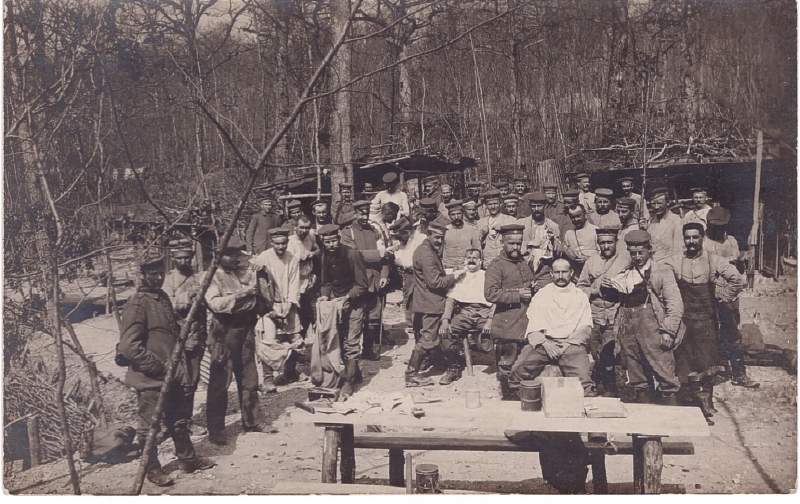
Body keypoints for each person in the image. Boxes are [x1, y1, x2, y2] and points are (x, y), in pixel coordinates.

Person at [118, 252, 214, 487]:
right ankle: (152, 470)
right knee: (149, 427)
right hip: (151, 377)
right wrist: (159, 369)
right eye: (153, 274)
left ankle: (189, 460)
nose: (159, 278)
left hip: (170, 374)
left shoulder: (160, 297)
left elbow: (168, 327)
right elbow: (129, 347)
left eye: (161, 273)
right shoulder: (137, 305)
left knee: (178, 420)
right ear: (142, 276)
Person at [665, 223, 745, 418]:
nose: (691, 242)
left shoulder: (713, 260)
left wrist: (723, 296)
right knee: (683, 359)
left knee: (706, 360)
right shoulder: (676, 261)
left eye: (695, 237)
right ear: (683, 239)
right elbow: (660, 275)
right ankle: (686, 400)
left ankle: (706, 400)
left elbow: (738, 279)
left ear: (702, 238)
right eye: (688, 238)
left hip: (707, 319)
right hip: (685, 319)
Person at [204, 236, 276, 445]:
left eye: (238, 255)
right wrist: (242, 294)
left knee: (249, 378)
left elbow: (264, 289)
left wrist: (262, 272)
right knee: (220, 382)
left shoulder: (243, 269)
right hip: (223, 332)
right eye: (231, 255)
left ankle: (252, 420)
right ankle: (216, 430)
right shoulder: (212, 276)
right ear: (220, 255)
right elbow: (216, 305)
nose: (236, 259)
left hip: (245, 328)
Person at [604, 230, 683, 404]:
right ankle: (644, 416)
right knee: (636, 373)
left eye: (641, 252)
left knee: (664, 371)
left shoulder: (662, 271)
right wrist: (607, 288)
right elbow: (617, 300)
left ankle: (672, 418)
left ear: (650, 250)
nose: (637, 257)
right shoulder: (626, 272)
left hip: (653, 327)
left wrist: (668, 331)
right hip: (628, 328)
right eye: (633, 253)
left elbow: (675, 305)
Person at [509, 257, 595, 396]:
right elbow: (534, 324)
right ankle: (516, 401)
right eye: (557, 272)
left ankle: (584, 406)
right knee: (519, 369)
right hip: (544, 343)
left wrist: (567, 343)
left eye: (564, 272)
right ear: (551, 274)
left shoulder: (580, 296)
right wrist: (546, 343)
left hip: (571, 344)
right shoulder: (542, 295)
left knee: (583, 379)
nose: (560, 276)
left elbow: (585, 327)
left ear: (571, 273)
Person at [704, 207, 759, 388]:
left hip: (729, 293)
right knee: (709, 329)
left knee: (732, 330)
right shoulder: (703, 242)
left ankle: (738, 373)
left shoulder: (732, 241)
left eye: (721, 227)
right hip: (710, 291)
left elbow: (736, 267)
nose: (718, 231)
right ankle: (710, 370)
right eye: (714, 227)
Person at [406, 221, 465, 386]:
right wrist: (454, 277)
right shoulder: (427, 254)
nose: (439, 241)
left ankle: (449, 365)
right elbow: (435, 283)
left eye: (442, 237)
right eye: (436, 237)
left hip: (426, 301)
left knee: (436, 337)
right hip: (431, 303)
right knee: (428, 339)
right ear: (428, 235)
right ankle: (411, 375)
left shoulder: (425, 249)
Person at [317, 223, 370, 398]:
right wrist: (325, 296)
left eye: (333, 241)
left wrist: (347, 298)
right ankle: (353, 371)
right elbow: (325, 283)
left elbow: (362, 285)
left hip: (355, 302)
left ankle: (348, 381)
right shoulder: (324, 255)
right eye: (327, 242)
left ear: (339, 238)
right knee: (338, 339)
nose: (331, 245)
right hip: (337, 304)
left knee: (352, 342)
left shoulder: (352, 254)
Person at [484, 223, 535, 398]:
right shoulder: (496, 266)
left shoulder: (522, 261)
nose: (515, 247)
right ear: (502, 242)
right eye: (511, 243)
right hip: (506, 325)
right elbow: (490, 294)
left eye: (518, 243)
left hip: (524, 323)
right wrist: (517, 294)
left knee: (523, 364)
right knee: (507, 365)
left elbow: (527, 282)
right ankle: (508, 397)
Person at [576, 229, 628, 397]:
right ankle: (596, 383)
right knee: (595, 350)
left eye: (610, 242)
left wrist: (617, 287)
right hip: (595, 314)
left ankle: (611, 386)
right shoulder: (591, 262)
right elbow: (580, 288)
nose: (606, 246)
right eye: (602, 243)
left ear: (616, 242)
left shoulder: (625, 261)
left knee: (611, 351)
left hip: (615, 313)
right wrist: (595, 291)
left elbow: (633, 286)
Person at [251, 228, 303, 392]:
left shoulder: (292, 259)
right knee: (269, 341)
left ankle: (289, 371)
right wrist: (268, 307)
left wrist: (290, 303)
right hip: (268, 305)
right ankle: (268, 379)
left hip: (288, 302)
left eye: (283, 243)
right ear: (271, 243)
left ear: (287, 242)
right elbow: (258, 284)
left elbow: (294, 282)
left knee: (296, 339)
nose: (280, 247)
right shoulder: (263, 258)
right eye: (277, 244)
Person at [162, 239, 207, 424]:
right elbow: (167, 306)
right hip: (178, 335)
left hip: (197, 334)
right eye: (180, 258)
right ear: (173, 258)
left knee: (193, 380)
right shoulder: (168, 280)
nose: (184, 262)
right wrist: (187, 296)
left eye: (187, 258)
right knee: (180, 380)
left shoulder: (197, 277)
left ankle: (186, 420)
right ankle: (177, 421)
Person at [341, 201, 389, 362]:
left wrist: (384, 275)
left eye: (366, 213)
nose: (364, 217)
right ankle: (348, 353)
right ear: (354, 214)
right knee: (354, 319)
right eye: (361, 213)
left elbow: (386, 256)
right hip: (357, 282)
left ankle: (368, 349)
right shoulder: (347, 233)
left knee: (373, 318)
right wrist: (378, 254)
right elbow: (355, 254)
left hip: (375, 280)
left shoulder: (374, 231)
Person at [440, 249, 495, 360]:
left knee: (493, 338)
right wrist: (445, 320)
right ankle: (453, 366)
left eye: (474, 258)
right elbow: (451, 299)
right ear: (464, 260)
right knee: (445, 333)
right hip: (465, 314)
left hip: (484, 314)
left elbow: (495, 300)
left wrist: (490, 320)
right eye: (469, 258)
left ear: (481, 261)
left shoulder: (488, 276)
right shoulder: (460, 276)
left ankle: (500, 366)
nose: (471, 260)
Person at [388, 216, 426, 333]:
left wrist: (401, 262)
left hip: (419, 272)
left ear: (408, 231)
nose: (399, 238)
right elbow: (397, 252)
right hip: (407, 274)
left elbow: (416, 259)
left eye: (401, 235)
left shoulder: (421, 238)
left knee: (419, 297)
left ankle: (420, 324)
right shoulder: (402, 241)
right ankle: (411, 324)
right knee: (408, 297)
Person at [287, 216, 320, 334]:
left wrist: (312, 253)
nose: (304, 231)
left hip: (308, 279)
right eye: (301, 227)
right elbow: (286, 262)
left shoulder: (310, 237)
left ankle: (301, 339)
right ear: (295, 227)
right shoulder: (290, 241)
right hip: (295, 280)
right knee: (298, 312)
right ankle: (295, 340)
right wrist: (300, 256)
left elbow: (318, 250)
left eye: (307, 228)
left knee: (309, 313)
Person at [518, 191, 559, 282]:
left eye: (539, 206)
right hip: (525, 267)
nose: (536, 209)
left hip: (545, 270)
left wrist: (553, 240)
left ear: (544, 206)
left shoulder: (553, 226)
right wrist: (530, 243)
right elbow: (515, 246)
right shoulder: (521, 224)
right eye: (533, 206)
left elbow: (558, 253)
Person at [478, 189, 517, 265]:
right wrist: (482, 235)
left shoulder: (511, 220)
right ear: (486, 205)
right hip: (488, 263)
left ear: (500, 203)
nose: (493, 207)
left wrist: (504, 230)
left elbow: (516, 242)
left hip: (506, 262)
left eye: (495, 203)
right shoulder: (480, 223)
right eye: (489, 204)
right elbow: (477, 246)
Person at [646, 186, 684, 262]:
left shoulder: (675, 220)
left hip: (668, 264)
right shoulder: (650, 221)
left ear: (668, 203)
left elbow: (679, 249)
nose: (656, 207)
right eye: (653, 203)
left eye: (660, 203)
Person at [562, 204, 599, 278]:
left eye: (578, 216)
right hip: (576, 273)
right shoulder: (569, 234)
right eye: (572, 217)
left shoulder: (595, 230)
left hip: (594, 270)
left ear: (585, 214)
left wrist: (589, 259)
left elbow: (602, 253)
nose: (575, 219)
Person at [442, 200, 480, 270]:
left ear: (463, 213)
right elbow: (440, 250)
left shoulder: (471, 229)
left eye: (459, 214)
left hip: (466, 267)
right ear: (449, 215)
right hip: (448, 268)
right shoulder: (444, 230)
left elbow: (477, 249)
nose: (456, 217)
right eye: (453, 215)